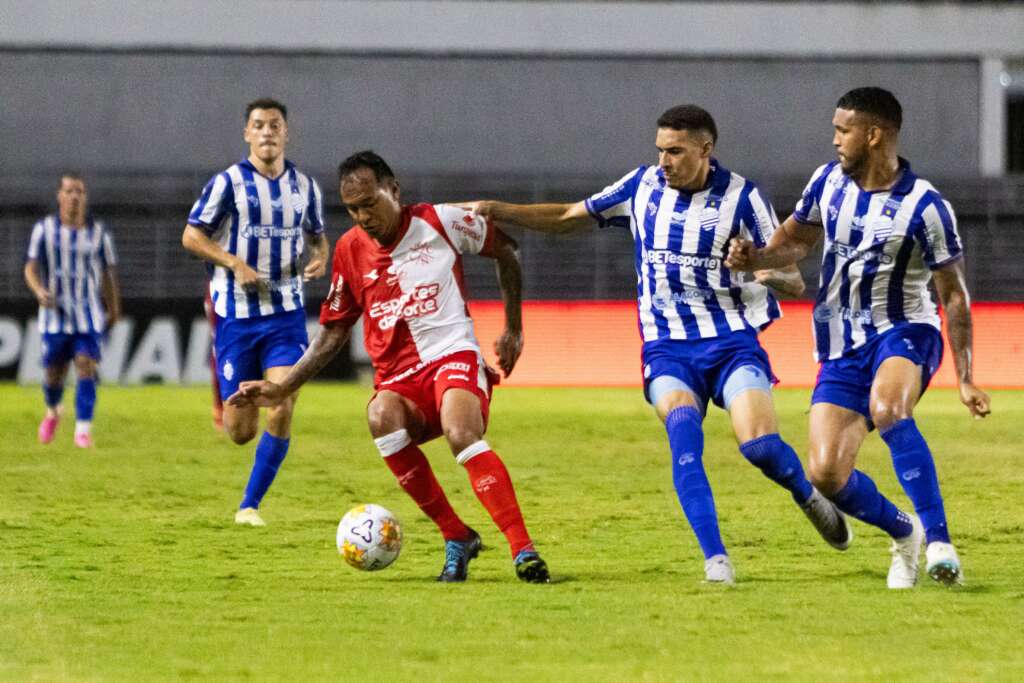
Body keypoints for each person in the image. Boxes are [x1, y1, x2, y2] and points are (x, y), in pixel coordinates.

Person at [465, 105, 850, 585]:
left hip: (731, 343)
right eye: (660, 150)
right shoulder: (641, 187)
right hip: (667, 348)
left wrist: (757, 266)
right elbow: (567, 215)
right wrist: (499, 209)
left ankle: (808, 495)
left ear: (705, 150)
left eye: (675, 151)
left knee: (762, 448)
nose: (664, 161)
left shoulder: (743, 197)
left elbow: (793, 280)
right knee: (683, 433)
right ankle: (717, 560)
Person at [229, 150, 550, 583]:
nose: (363, 216)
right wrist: (283, 389)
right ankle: (457, 536)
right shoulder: (348, 250)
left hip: (452, 355)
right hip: (399, 378)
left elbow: (507, 249)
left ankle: (522, 549)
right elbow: (333, 332)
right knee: (380, 415)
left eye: (369, 203)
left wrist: (513, 327)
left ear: (394, 191)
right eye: (353, 209)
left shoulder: (441, 221)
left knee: (461, 432)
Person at [726, 87, 991, 588]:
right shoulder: (828, 182)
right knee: (825, 473)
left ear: (873, 135)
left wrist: (966, 378)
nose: (834, 141)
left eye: (842, 130)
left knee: (890, 408)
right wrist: (754, 257)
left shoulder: (925, 206)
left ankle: (939, 542)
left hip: (905, 330)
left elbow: (953, 295)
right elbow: (795, 242)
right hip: (840, 342)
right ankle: (904, 533)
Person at [182, 98, 329, 527]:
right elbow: (191, 236)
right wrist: (233, 263)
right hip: (236, 319)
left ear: (286, 133)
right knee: (240, 432)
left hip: (285, 316)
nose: (267, 132)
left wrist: (321, 257)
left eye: (275, 125)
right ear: (247, 133)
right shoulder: (227, 183)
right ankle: (240, 414)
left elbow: (319, 237)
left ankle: (249, 506)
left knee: (283, 402)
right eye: (259, 125)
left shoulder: (305, 187)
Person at [24, 173, 121, 448]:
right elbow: (30, 267)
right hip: (54, 316)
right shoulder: (44, 229)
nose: (74, 196)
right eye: (69, 191)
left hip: (88, 314)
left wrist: (113, 308)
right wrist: (38, 290)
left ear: (85, 196)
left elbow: (108, 274)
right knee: (54, 373)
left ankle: (83, 429)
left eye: (79, 191)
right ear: (59, 196)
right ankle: (53, 410)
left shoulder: (99, 233)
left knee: (85, 365)